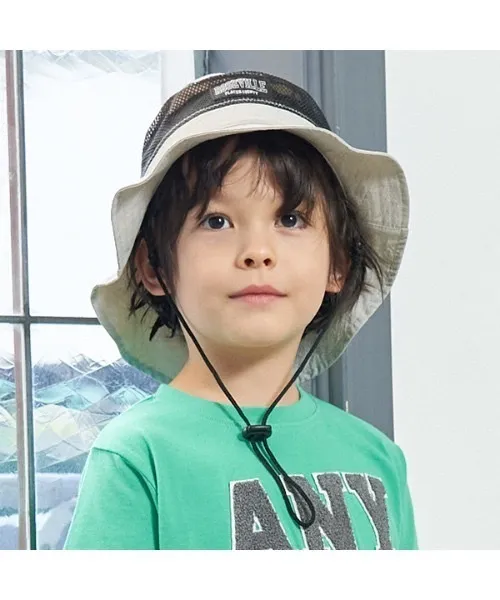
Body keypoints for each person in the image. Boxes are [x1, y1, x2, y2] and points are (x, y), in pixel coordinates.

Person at [64, 70, 417, 550]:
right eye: (216, 221)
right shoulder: (137, 456)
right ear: (153, 267)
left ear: (337, 265)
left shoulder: (378, 459)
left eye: (290, 218)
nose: (257, 252)